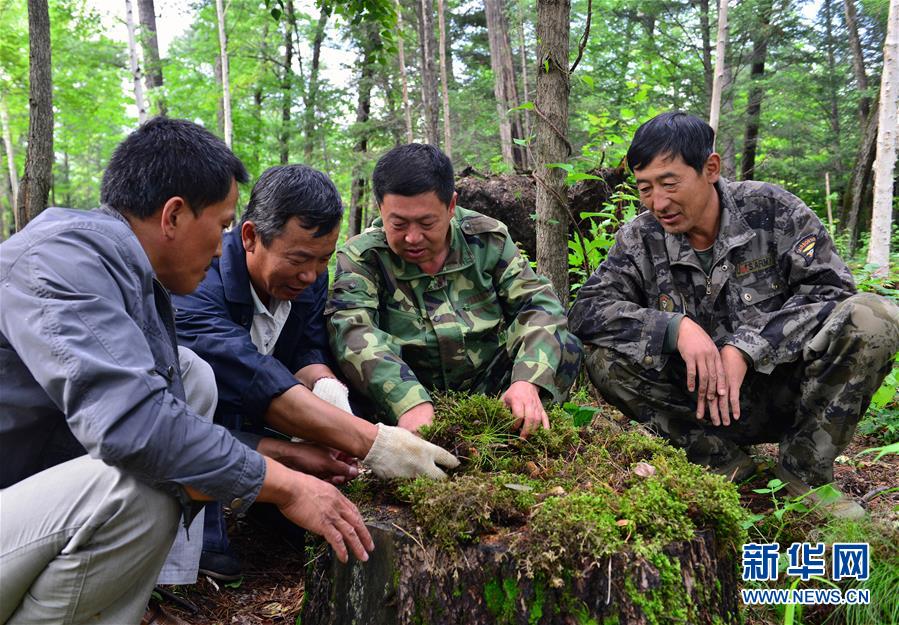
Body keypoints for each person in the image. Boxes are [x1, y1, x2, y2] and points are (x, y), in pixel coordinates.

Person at [0, 118, 374, 625]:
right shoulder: (60, 261)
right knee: (142, 487)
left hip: (23, 511)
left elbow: (170, 424)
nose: (222, 249)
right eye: (220, 226)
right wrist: (287, 484)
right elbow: (136, 430)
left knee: (190, 376)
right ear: (174, 215)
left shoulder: (133, 281)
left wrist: (289, 459)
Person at [568, 111, 899, 519]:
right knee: (602, 355)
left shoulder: (772, 210)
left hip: (788, 393)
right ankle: (721, 462)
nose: (659, 203)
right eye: (646, 188)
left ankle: (805, 473)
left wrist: (748, 348)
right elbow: (586, 311)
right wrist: (675, 328)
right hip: (698, 407)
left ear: (710, 168)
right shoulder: (641, 237)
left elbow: (832, 290)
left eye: (669, 183)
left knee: (875, 316)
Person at [171, 164, 459, 581]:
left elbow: (305, 344)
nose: (310, 275)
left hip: (266, 427)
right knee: (200, 380)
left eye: (322, 259)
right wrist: (370, 442)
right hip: (204, 427)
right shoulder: (197, 282)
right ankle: (200, 530)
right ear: (250, 237)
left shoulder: (308, 280)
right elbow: (244, 371)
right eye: (298, 259)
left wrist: (325, 386)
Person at [327, 143, 583, 436]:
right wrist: (408, 401)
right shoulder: (363, 256)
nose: (412, 237)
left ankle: (513, 428)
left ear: (451, 206)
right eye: (398, 224)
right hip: (398, 392)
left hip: (485, 386)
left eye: (426, 222)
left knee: (566, 347)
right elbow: (351, 330)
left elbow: (538, 305)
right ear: (381, 209)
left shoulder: (486, 238)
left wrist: (526, 381)